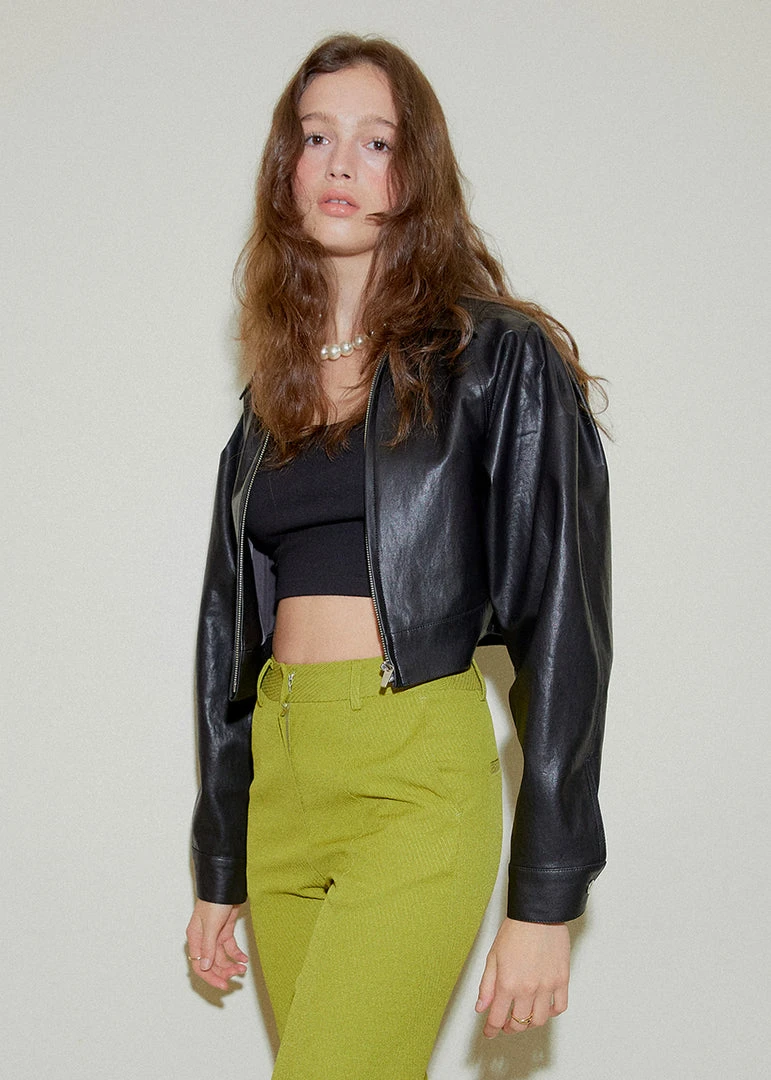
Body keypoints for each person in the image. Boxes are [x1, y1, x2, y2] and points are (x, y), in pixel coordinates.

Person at [185, 33, 611, 1080]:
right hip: (284, 782)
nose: (340, 164)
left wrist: (544, 897)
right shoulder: (268, 400)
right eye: (315, 138)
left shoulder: (494, 356)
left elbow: (565, 622)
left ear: (413, 172)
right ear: (285, 167)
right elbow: (226, 646)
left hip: (412, 771)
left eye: (374, 142)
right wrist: (220, 858)